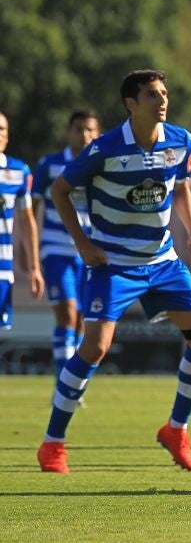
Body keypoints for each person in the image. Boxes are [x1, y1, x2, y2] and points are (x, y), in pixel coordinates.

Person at [37, 70, 191, 474]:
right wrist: (83, 243)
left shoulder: (181, 140)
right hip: (113, 263)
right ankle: (52, 444)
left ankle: (176, 430)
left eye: (164, 93)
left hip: (163, 261)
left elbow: (182, 184)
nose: (162, 100)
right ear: (131, 104)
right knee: (95, 348)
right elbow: (60, 191)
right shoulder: (105, 148)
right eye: (152, 95)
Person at [32, 110, 101, 377]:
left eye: (90, 130)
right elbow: (31, 209)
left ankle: (73, 381)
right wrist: (31, 252)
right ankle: (64, 380)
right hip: (55, 248)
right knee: (68, 313)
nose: (85, 135)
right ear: (68, 132)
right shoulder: (49, 165)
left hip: (90, 251)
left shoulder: (100, 165)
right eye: (79, 129)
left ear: (97, 133)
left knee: (85, 321)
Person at [1, 110, 45, 329]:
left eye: (2, 129)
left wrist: (34, 268)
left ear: (8, 136)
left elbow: (27, 221)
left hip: (2, 268)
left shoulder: (18, 171)